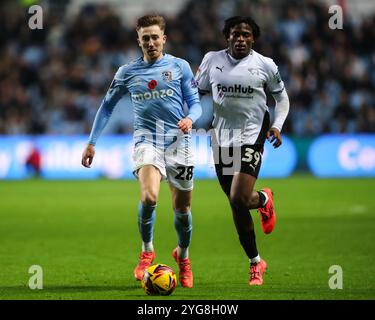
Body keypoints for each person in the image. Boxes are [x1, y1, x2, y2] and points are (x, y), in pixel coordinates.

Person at [81, 15, 202, 288]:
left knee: (182, 209)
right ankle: (147, 250)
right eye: (145, 38)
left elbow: (196, 104)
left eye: (155, 37)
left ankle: (183, 257)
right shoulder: (126, 72)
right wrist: (92, 142)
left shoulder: (180, 66)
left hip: (178, 143)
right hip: (147, 141)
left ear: (164, 39)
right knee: (149, 198)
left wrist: (190, 119)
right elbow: (107, 106)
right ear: (138, 40)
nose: (150, 42)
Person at [195, 16, 289, 286]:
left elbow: (281, 99)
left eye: (246, 34)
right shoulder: (212, 60)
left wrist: (277, 125)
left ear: (253, 38)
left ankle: (255, 261)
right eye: (236, 34)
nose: (241, 38)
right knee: (237, 204)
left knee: (237, 197)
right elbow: (196, 91)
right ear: (227, 36)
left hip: (252, 135)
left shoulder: (265, 65)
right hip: (221, 137)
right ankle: (257, 258)